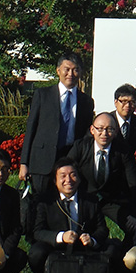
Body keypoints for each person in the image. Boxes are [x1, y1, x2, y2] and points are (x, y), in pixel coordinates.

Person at [20, 53, 94, 197]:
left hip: (70, 158)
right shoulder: (43, 95)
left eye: (75, 70)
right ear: (58, 70)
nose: (70, 74)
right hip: (42, 161)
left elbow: (86, 134)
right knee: (40, 202)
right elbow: (31, 128)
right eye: (66, 69)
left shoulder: (86, 101)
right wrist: (24, 163)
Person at [27, 158, 112, 273]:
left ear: (79, 178)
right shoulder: (45, 201)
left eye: (73, 175)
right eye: (63, 176)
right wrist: (61, 237)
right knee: (36, 253)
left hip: (83, 247)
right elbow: (38, 232)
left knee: (112, 250)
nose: (68, 180)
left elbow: (102, 228)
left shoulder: (91, 200)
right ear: (55, 180)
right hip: (56, 248)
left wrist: (92, 239)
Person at [67, 112, 136, 238]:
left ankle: (126, 252)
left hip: (111, 200)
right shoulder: (81, 146)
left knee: (135, 226)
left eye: (109, 129)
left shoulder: (123, 150)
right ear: (92, 130)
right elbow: (66, 170)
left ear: (116, 131)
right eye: (100, 129)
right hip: (84, 198)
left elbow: (133, 182)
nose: (104, 134)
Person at [111, 83, 136, 156]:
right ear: (116, 102)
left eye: (132, 102)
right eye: (124, 101)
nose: (128, 105)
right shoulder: (107, 120)